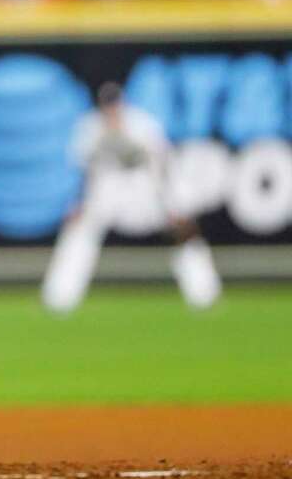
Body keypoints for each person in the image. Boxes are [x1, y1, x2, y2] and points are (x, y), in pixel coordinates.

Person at [42, 82, 221, 313]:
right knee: (78, 230)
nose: (112, 111)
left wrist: (173, 203)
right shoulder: (90, 127)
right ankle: (59, 297)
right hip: (108, 190)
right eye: (108, 106)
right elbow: (83, 171)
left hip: (145, 189)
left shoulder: (142, 124)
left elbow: (164, 164)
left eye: (115, 105)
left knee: (184, 230)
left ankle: (204, 293)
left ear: (122, 104)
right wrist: (77, 204)